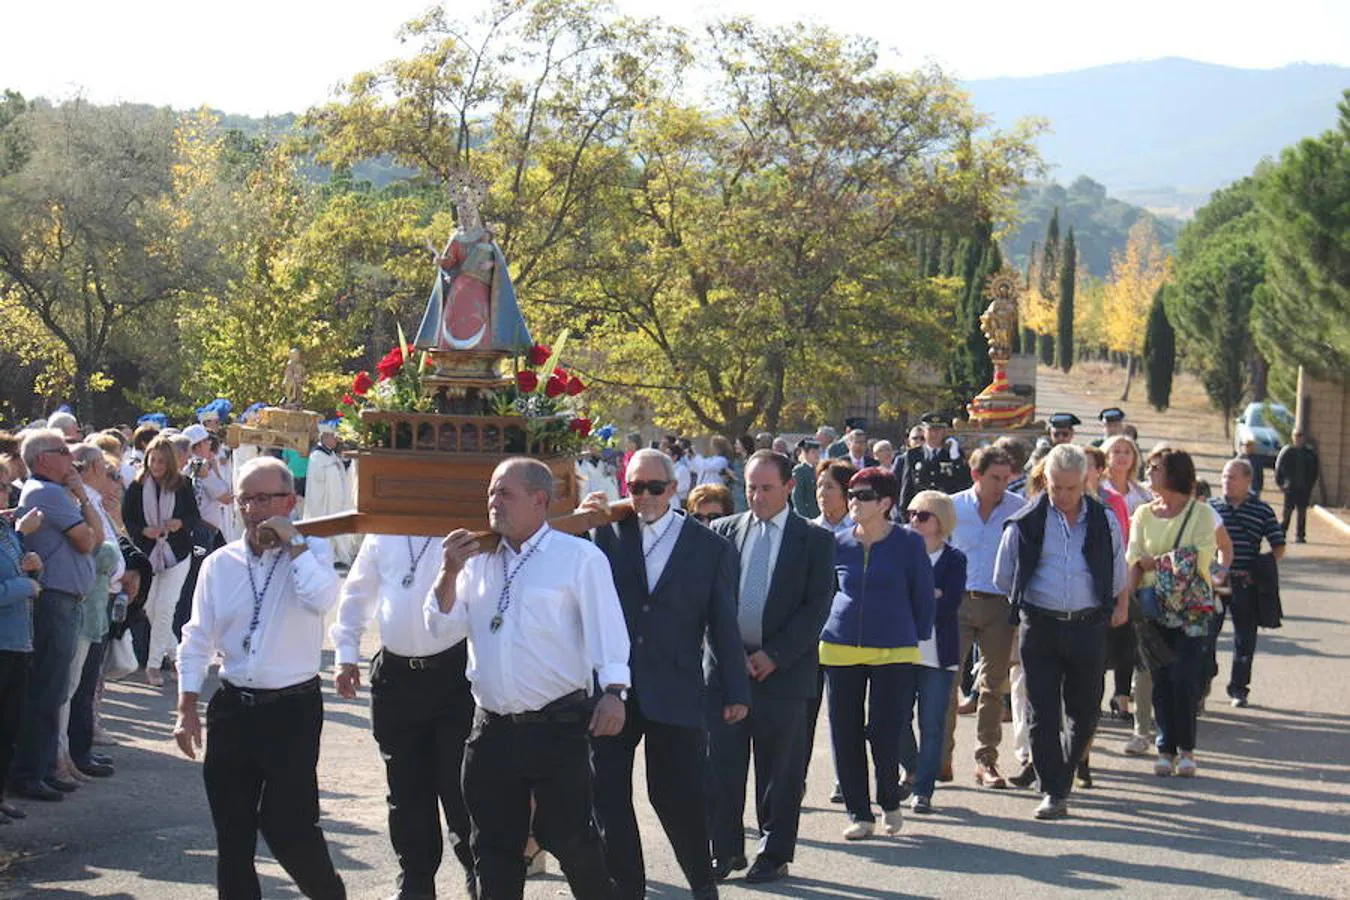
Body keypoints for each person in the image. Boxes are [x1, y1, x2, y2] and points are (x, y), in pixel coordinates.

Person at [424, 458, 630, 900]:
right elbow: (440, 627)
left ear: (540, 500)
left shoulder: (578, 557)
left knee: (571, 839)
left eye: (505, 493)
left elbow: (607, 628)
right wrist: (448, 572)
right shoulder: (475, 559)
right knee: (493, 847)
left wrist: (614, 691)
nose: (493, 502)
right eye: (491, 493)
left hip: (556, 728)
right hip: (491, 729)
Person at [174, 457, 347, 900]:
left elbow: (321, 598)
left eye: (265, 498)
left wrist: (294, 545)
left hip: (292, 709)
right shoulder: (220, 563)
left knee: (290, 827)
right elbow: (196, 636)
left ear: (290, 501)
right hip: (234, 707)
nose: (253, 509)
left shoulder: (314, 552)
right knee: (232, 835)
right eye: (246, 498)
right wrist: (186, 706)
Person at [582, 449, 749, 900]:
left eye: (654, 487)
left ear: (674, 489)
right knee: (607, 794)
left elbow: (723, 625)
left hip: (675, 688)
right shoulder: (604, 533)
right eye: (635, 487)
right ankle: (627, 887)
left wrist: (736, 690)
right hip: (612, 689)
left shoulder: (710, 547)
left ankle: (701, 883)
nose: (645, 496)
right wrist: (582, 518)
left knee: (676, 797)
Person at [707, 450, 834, 884]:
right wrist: (730, 656)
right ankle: (723, 850)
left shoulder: (814, 540)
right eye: (750, 487)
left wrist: (774, 655)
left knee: (778, 771)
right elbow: (708, 602)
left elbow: (817, 606)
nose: (757, 497)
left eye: (766, 488)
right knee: (721, 765)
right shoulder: (723, 531)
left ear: (789, 487)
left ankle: (774, 852)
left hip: (784, 672)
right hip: (727, 672)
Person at [331, 531, 478, 900]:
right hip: (397, 678)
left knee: (459, 785)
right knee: (406, 790)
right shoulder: (384, 529)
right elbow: (357, 592)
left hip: (454, 676)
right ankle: (415, 883)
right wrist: (346, 654)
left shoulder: (462, 526)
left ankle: (480, 876)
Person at [993, 444, 1128, 820]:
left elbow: (1118, 570)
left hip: (1088, 625)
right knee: (1042, 711)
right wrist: (1028, 608)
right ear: (1045, 481)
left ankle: (1062, 775)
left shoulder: (1104, 520)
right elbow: (1004, 576)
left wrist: (1119, 606)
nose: (1064, 496)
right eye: (1057, 487)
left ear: (1085, 481)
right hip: (1041, 626)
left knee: (1085, 714)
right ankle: (1053, 791)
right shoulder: (1026, 522)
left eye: (1071, 488)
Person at [821, 468, 934, 840]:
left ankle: (889, 798)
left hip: (894, 649)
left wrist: (917, 637)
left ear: (886, 503)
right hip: (840, 648)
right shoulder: (837, 542)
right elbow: (824, 593)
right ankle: (859, 812)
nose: (854, 501)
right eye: (851, 493)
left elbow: (922, 594)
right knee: (845, 732)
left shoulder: (909, 543)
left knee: (885, 731)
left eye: (864, 495)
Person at [9, 430, 101, 803]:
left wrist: (81, 496)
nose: (72, 460)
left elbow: (97, 534)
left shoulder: (58, 492)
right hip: (55, 601)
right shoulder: (46, 492)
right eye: (64, 452)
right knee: (47, 689)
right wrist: (80, 499)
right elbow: (87, 540)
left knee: (55, 688)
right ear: (44, 458)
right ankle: (31, 772)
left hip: (67, 599)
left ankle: (44, 766)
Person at [1127, 447, 1222, 780]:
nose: (1149, 471)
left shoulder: (1201, 513)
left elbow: (1199, 557)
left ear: (1175, 473)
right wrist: (1126, 600)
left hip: (1191, 610)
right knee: (1162, 681)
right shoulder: (1141, 514)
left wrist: (1157, 562)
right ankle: (1165, 749)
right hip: (1153, 608)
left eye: (1157, 467)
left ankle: (1187, 750)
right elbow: (1134, 558)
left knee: (1186, 679)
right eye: (1149, 466)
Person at [943, 446, 1024, 789]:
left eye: (1006, 479)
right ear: (977, 475)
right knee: (947, 680)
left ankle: (986, 761)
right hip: (957, 602)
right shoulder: (952, 506)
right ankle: (940, 757)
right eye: (995, 478)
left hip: (999, 604)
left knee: (994, 685)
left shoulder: (1018, 509)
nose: (1001, 485)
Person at [899, 491, 966, 814]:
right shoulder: (899, 553)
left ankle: (923, 788)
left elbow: (950, 603)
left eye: (922, 515)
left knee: (932, 723)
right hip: (899, 651)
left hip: (939, 655)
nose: (914, 520)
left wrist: (919, 596)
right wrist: (930, 594)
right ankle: (911, 769)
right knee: (894, 717)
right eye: (910, 513)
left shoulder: (955, 559)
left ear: (941, 522)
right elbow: (893, 598)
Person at [122, 435, 200, 688]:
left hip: (176, 554)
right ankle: (178, 656)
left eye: (161, 462)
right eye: (152, 461)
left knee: (166, 607)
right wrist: (144, 531)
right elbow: (129, 520)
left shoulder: (182, 484)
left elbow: (193, 517)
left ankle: (154, 665)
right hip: (147, 554)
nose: (156, 466)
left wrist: (179, 523)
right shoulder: (136, 486)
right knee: (150, 608)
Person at [1208, 458, 1286, 708]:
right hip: (1218, 581)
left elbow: (1279, 546)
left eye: (1232, 477)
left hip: (1245, 582)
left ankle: (1238, 689)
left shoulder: (1262, 510)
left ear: (1247, 481)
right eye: (1223, 477)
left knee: (1244, 638)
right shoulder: (1211, 507)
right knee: (1207, 633)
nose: (1226, 482)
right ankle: (1204, 678)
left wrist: (1261, 569)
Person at [0, 506, 44, 821]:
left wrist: (33, 569)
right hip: (3, 642)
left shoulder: (8, 531)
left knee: (9, 725)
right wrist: (27, 586)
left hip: (17, 641)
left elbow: (18, 571)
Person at [306, 424, 359, 567]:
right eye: (332, 437)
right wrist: (331, 468)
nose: (336, 440)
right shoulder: (317, 455)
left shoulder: (331, 454)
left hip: (335, 501)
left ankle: (339, 555)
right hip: (324, 501)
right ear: (324, 438)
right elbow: (317, 476)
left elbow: (339, 470)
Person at [898, 413, 971, 511]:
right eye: (930, 429)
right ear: (924, 431)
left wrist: (955, 458)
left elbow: (964, 483)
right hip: (921, 511)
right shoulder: (913, 455)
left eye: (938, 430)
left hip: (946, 511)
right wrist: (905, 514)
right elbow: (907, 487)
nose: (934, 434)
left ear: (945, 432)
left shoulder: (953, 454)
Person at [1274, 429, 1318, 543]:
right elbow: (1278, 468)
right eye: (1296, 436)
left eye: (1300, 436)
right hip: (1290, 487)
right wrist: (1280, 483)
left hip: (1304, 488)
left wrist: (1310, 485)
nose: (1298, 438)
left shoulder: (1309, 453)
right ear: (1292, 437)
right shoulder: (1287, 451)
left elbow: (1315, 470)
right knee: (1287, 512)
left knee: (1302, 512)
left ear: (1304, 438)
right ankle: (1282, 532)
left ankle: (1300, 535)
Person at [813, 460, 858, 538]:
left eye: (829, 487)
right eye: (819, 486)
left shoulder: (860, 529)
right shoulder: (810, 529)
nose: (822, 493)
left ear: (846, 492)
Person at [790, 440, 822, 520]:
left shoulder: (819, 469)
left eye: (818, 452)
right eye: (813, 452)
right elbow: (797, 497)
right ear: (805, 454)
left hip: (819, 514)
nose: (817, 455)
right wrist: (804, 517)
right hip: (807, 514)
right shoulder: (800, 470)